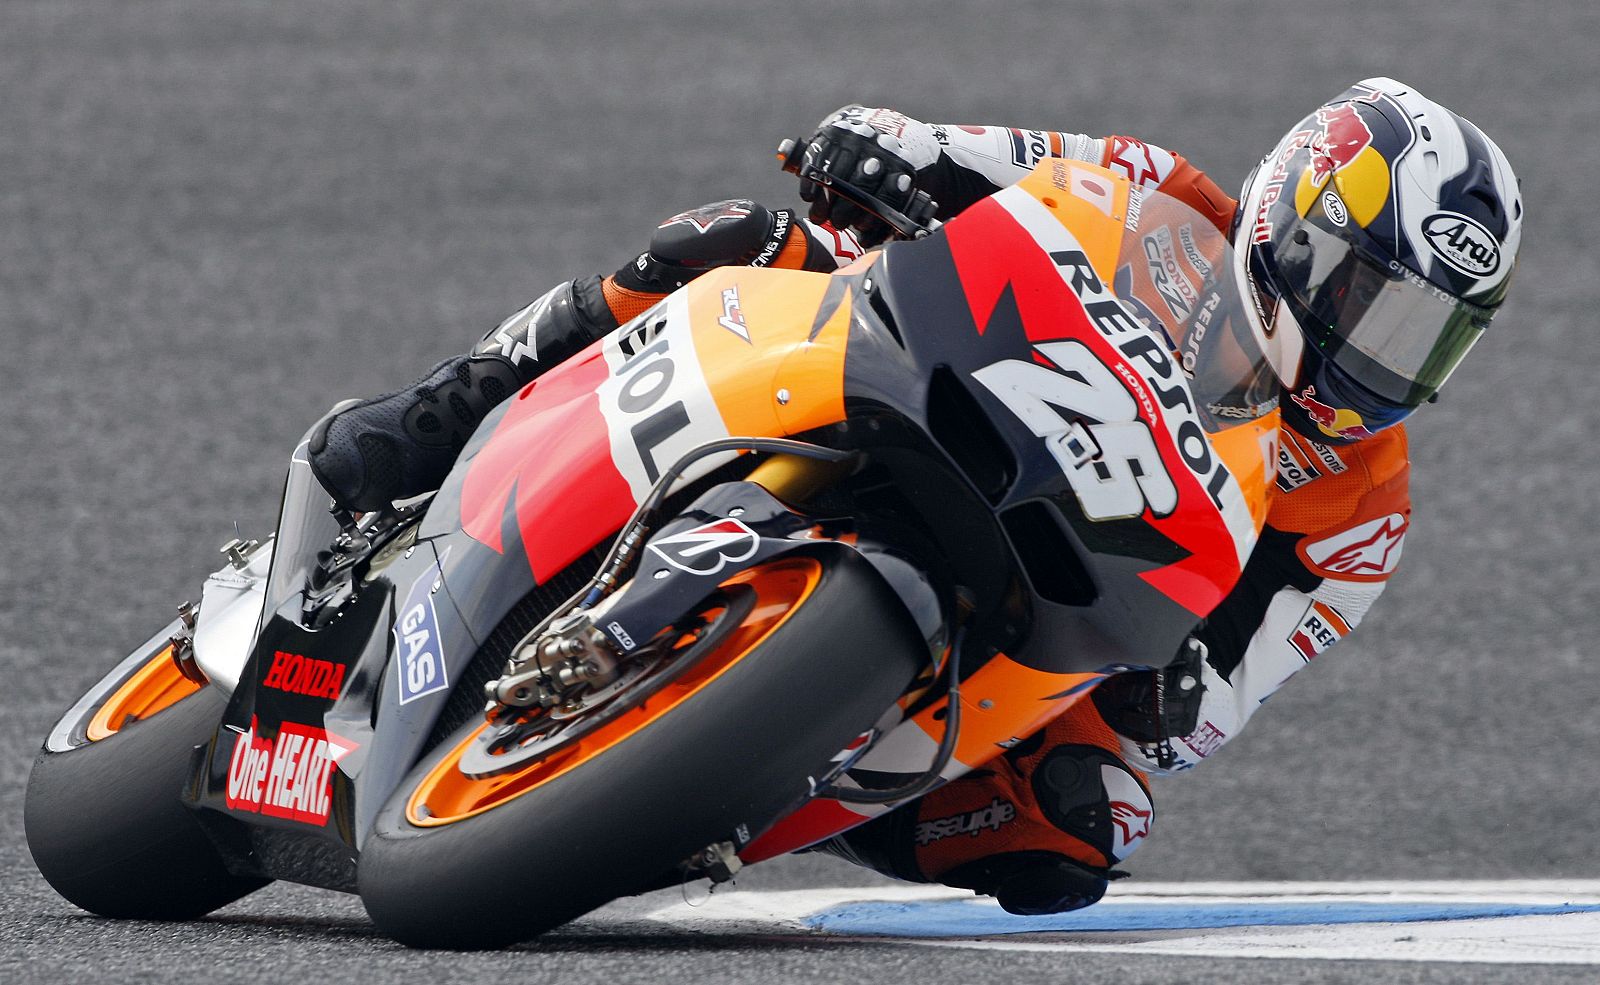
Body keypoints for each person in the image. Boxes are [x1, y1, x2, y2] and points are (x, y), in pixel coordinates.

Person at [308, 78, 1523, 915]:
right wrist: (881, 147)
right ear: (1290, 220)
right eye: (1372, 301)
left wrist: (1171, 702)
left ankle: (752, 770)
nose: (1382, 359)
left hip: (1088, 582)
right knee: (741, 238)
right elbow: (969, 158)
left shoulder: (1361, 512)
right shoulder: (1159, 193)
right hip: (933, 370)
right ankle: (448, 406)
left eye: (1428, 337)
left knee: (1083, 829)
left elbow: (1228, 692)